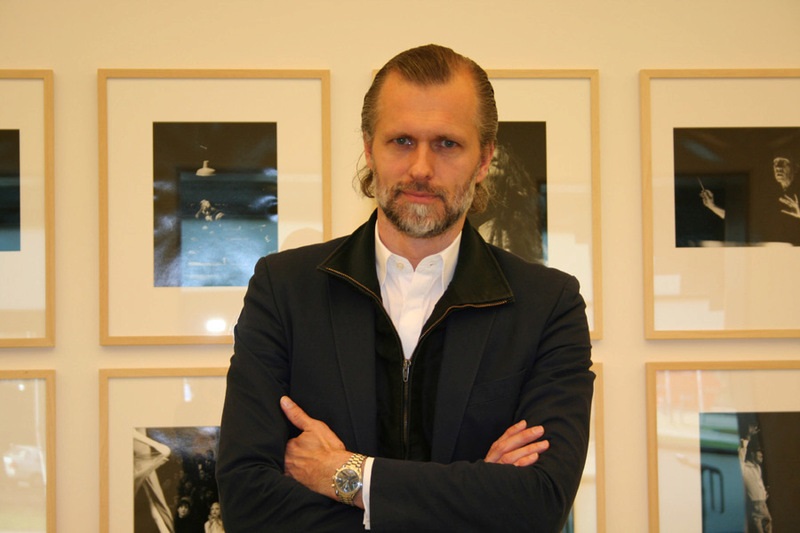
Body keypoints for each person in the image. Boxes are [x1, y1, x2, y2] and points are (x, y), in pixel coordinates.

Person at [216, 43, 594, 532]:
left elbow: (538, 504)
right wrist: (476, 493)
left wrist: (348, 475)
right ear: (369, 148)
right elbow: (247, 502)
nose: (420, 168)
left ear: (484, 159)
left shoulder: (548, 306)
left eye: (447, 144)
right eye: (401, 141)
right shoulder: (284, 290)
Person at [738, 425, 772, 533]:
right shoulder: (744, 468)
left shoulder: (757, 468)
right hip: (754, 509)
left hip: (764, 506)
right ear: (752, 454)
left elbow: (757, 485)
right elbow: (741, 455)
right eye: (759, 452)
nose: (762, 455)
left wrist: (764, 494)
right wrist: (747, 437)